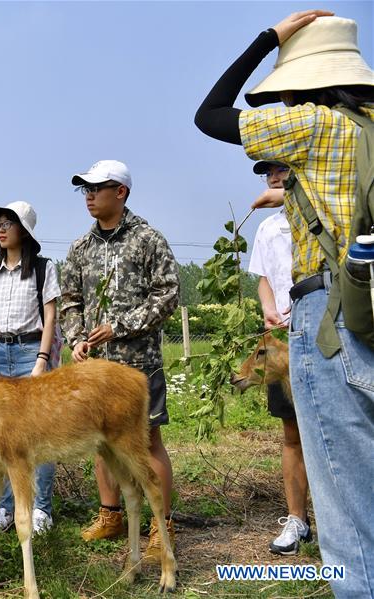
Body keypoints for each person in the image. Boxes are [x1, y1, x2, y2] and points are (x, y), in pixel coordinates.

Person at [195, 11, 374, 596]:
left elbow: (210, 114)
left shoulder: (314, 126)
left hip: (332, 318)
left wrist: (267, 38)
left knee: (347, 509)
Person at [58, 160, 179, 562]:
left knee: (147, 441)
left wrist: (120, 325)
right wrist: (76, 339)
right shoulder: (80, 248)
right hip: (95, 368)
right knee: (100, 441)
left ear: (121, 192)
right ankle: (110, 515)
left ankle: (161, 526)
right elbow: (70, 302)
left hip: (138, 363)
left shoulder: (147, 240)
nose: (89, 195)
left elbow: (167, 295)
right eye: (85, 189)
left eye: (97, 188)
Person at [0, 201, 61, 535]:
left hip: (29, 352)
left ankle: (40, 509)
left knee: (39, 432)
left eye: (9, 222)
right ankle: (7, 508)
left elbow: (50, 315)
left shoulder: (42, 268)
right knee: (2, 437)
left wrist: (41, 358)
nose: (2, 228)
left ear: (25, 230)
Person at [247, 160, 313, 556]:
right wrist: (268, 310)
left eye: (281, 166)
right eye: (267, 170)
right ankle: (297, 520)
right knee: (291, 434)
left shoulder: (321, 211)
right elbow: (264, 279)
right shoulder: (267, 227)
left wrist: (290, 197)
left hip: (322, 331)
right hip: (284, 339)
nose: (273, 174)